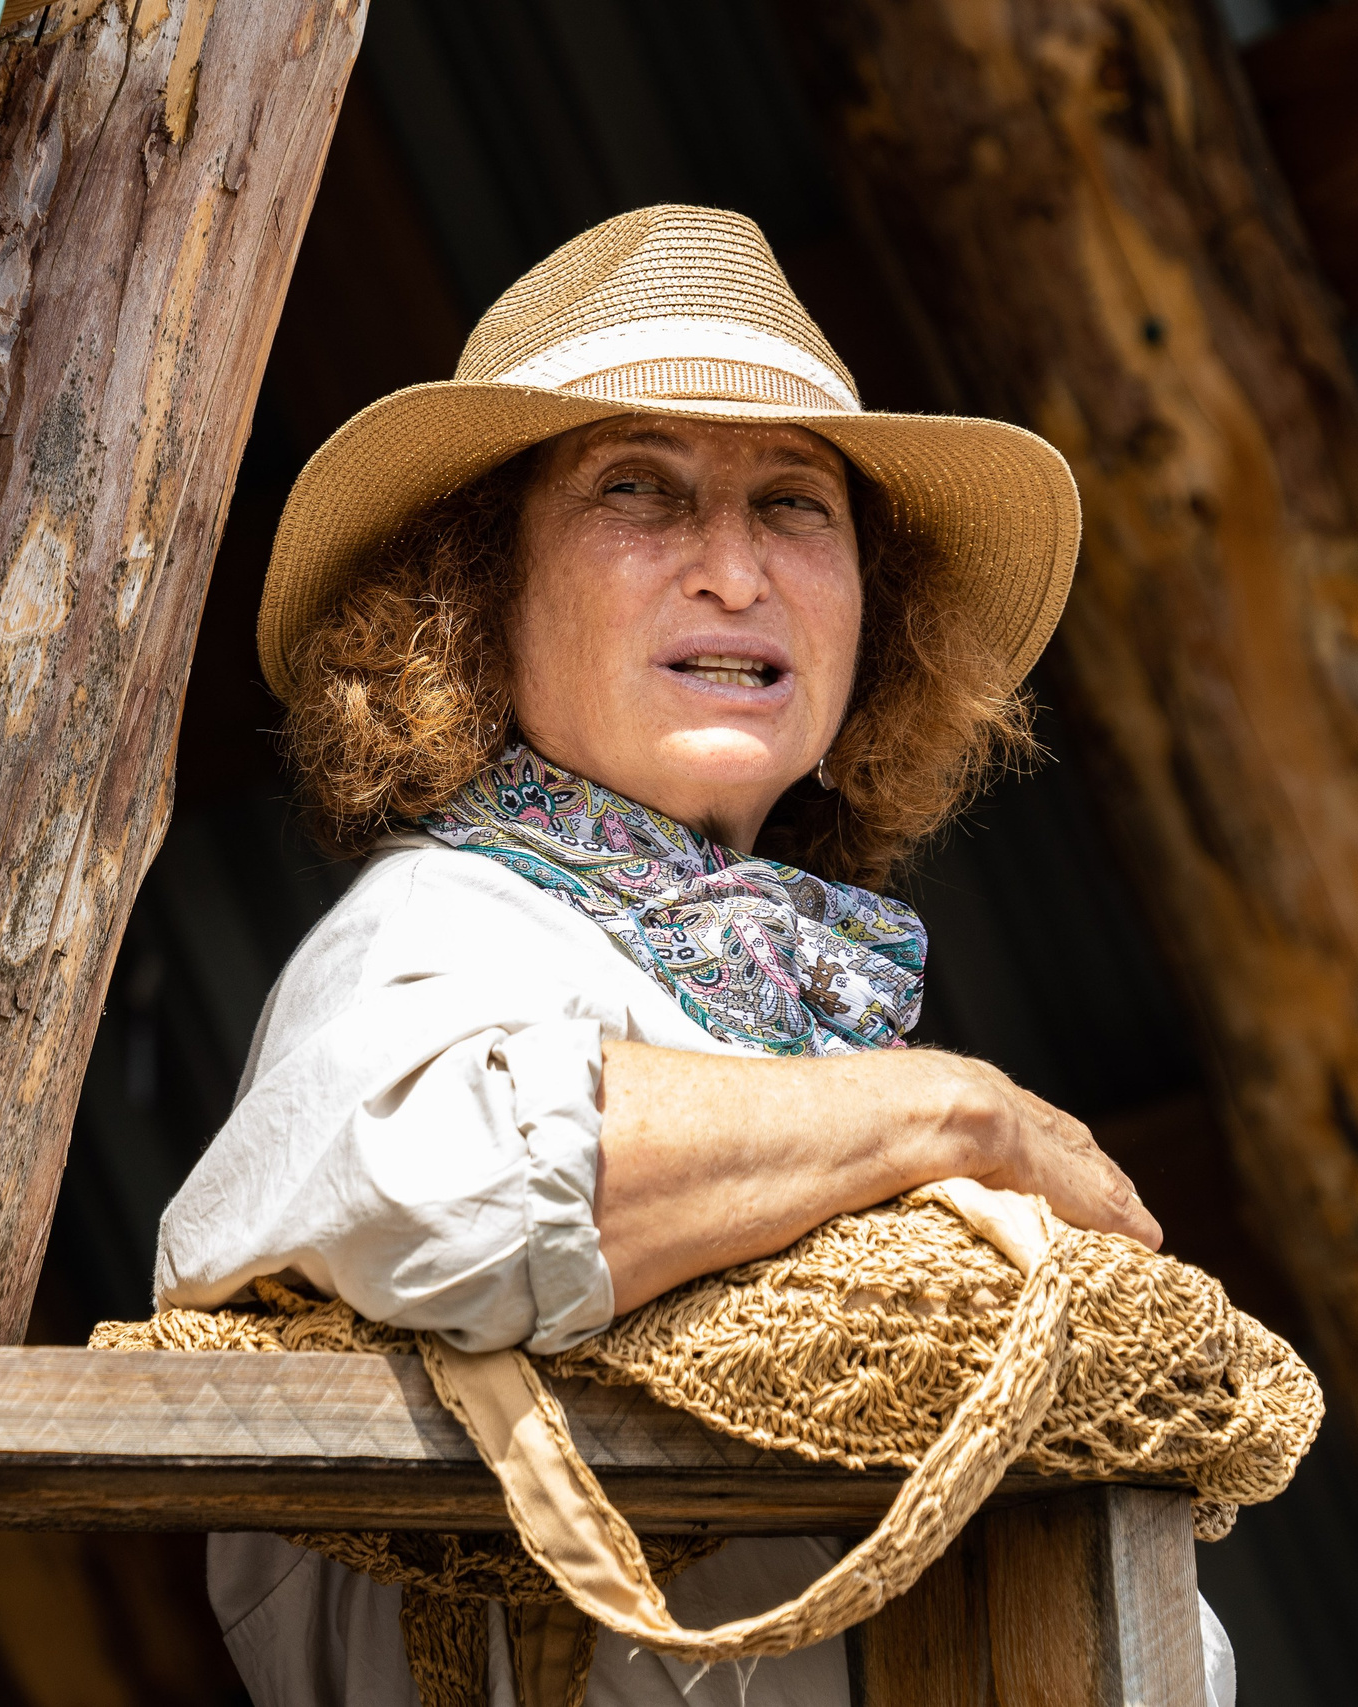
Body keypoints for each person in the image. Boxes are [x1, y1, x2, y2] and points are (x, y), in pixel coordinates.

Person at [154, 206, 1229, 1706]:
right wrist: (952, 1116)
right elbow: (444, 1190)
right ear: (476, 597)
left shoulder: (799, 1012)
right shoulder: (441, 926)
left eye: (797, 505)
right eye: (638, 491)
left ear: (875, 616)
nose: (733, 570)